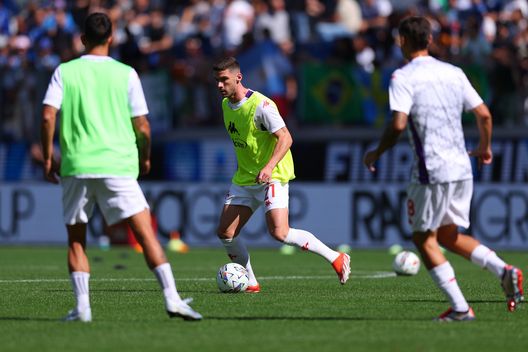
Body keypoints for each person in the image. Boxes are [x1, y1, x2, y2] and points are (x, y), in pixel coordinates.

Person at [41, 12, 202, 322]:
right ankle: (172, 299)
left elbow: (48, 115)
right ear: (111, 38)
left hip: (77, 164)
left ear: (83, 40)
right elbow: (142, 125)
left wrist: (49, 157)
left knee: (77, 240)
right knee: (146, 235)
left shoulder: (65, 71)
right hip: (118, 164)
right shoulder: (126, 73)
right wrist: (145, 156)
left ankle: (83, 308)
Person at [363, 16, 524, 322]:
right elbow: (484, 115)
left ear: (402, 41)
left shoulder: (402, 77)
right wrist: (485, 147)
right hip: (462, 167)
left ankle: (461, 308)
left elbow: (398, 123)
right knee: (449, 236)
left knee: (424, 239)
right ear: (430, 40)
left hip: (431, 170)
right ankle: (504, 270)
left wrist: (376, 152)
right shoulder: (454, 73)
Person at [212, 56, 350, 293]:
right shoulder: (226, 106)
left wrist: (268, 167)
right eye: (217, 81)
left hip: (273, 174)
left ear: (238, 77)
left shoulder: (262, 106)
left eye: (224, 80)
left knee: (280, 232)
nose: (219, 85)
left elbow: (286, 137)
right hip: (246, 177)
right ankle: (251, 283)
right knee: (225, 232)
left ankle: (336, 257)